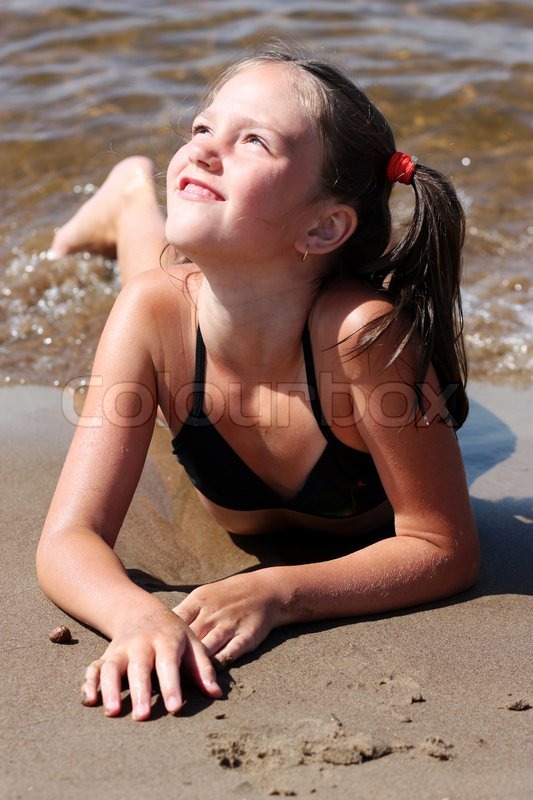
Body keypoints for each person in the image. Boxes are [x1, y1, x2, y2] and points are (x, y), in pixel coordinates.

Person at [37, 42, 479, 722]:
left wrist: (282, 592)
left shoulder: (362, 337)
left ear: (324, 225)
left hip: (305, 360)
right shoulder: (153, 314)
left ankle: (130, 204)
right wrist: (136, 617)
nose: (205, 150)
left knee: (161, 282)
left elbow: (441, 545)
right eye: (202, 128)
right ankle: (130, 199)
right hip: (182, 320)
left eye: (253, 140)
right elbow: (67, 539)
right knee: (151, 283)